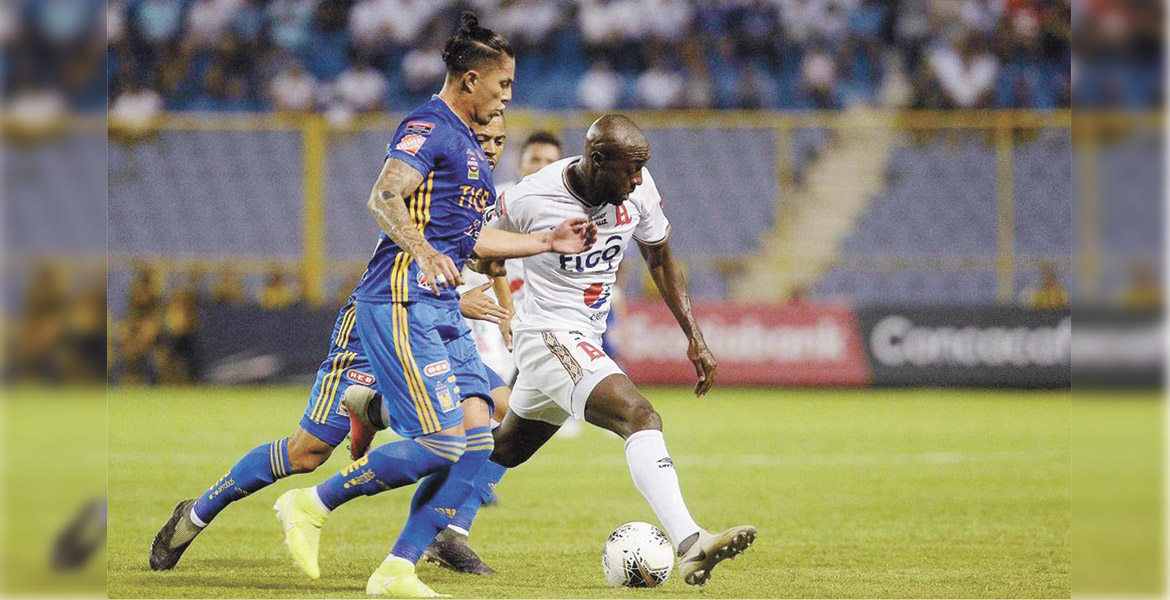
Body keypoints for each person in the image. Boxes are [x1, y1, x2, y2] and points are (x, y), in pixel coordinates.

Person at [150, 16, 594, 598]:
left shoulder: (473, 161)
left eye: (500, 141)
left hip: (434, 311)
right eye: (503, 84)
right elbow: (385, 196)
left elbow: (469, 244)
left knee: (481, 431)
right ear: (470, 81)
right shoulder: (428, 127)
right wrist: (424, 252)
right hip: (387, 313)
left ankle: (401, 560)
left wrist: (544, 242)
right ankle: (200, 512)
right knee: (311, 451)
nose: (506, 103)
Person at [349, 115, 756, 586]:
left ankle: (382, 415)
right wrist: (485, 264)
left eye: (641, 169)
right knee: (640, 416)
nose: (638, 179)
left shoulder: (639, 189)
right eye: (630, 170)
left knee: (503, 447)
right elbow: (470, 242)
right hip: (548, 335)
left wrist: (694, 335)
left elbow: (659, 256)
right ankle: (691, 542)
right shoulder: (530, 196)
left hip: (583, 336)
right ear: (597, 160)